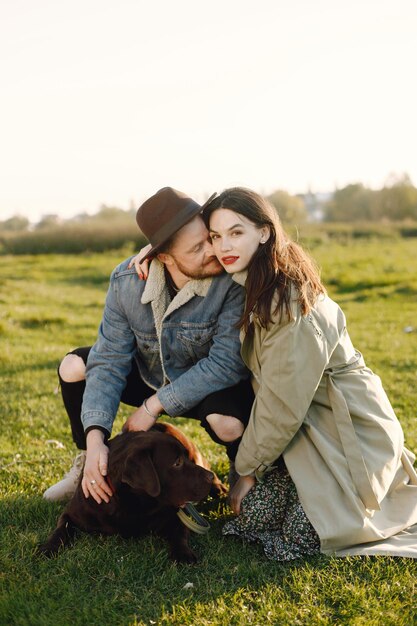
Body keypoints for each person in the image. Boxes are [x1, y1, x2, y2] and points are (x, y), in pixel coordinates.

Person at [199, 186, 417, 560]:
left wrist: (247, 470)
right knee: (253, 518)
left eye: (236, 232)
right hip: (307, 432)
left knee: (305, 535)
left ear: (264, 232)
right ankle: (299, 486)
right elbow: (183, 265)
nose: (223, 246)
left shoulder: (287, 300)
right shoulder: (253, 281)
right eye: (216, 236)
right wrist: (151, 255)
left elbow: (282, 405)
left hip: (349, 432)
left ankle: (367, 492)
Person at [43, 187, 253, 504]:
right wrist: (96, 438)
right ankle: (89, 464)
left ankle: (244, 471)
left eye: (208, 238)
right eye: (197, 248)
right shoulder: (126, 280)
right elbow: (109, 359)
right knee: (75, 366)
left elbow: (225, 364)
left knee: (227, 424)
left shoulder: (230, 278)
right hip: (150, 374)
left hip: (206, 383)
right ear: (163, 257)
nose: (213, 251)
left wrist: (153, 406)